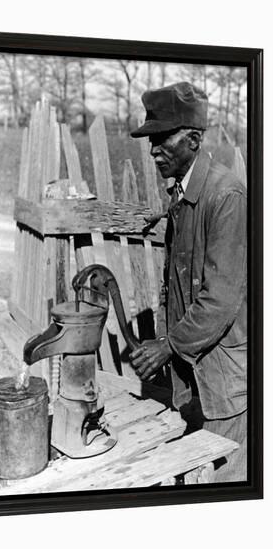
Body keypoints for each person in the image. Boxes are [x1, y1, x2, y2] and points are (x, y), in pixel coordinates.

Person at [130, 81, 247, 482]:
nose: (153, 149)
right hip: (194, 374)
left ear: (194, 139)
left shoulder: (226, 195)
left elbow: (221, 300)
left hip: (223, 380)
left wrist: (168, 345)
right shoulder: (184, 192)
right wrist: (164, 212)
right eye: (151, 139)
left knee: (225, 484)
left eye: (162, 139)